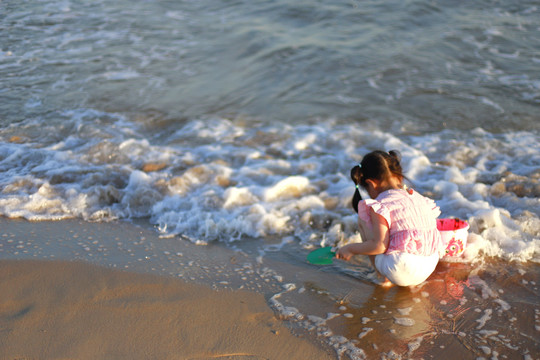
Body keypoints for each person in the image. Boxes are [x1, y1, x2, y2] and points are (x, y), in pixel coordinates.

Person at [336, 150, 444, 287]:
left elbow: (379, 246)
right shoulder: (418, 198)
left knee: (363, 219)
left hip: (401, 268)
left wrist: (350, 249)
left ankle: (383, 278)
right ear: (399, 176)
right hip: (430, 263)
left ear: (371, 184)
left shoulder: (381, 205)